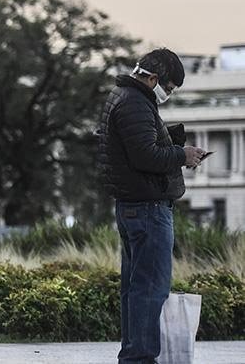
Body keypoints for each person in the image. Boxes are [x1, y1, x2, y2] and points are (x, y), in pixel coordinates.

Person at [97, 48, 205, 364]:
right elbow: (145, 156)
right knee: (150, 289)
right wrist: (181, 155)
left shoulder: (123, 96)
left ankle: (134, 354)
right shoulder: (134, 102)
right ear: (154, 78)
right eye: (169, 88)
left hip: (132, 206)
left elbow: (136, 146)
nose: (167, 94)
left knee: (136, 288)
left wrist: (169, 140)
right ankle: (139, 358)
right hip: (147, 208)